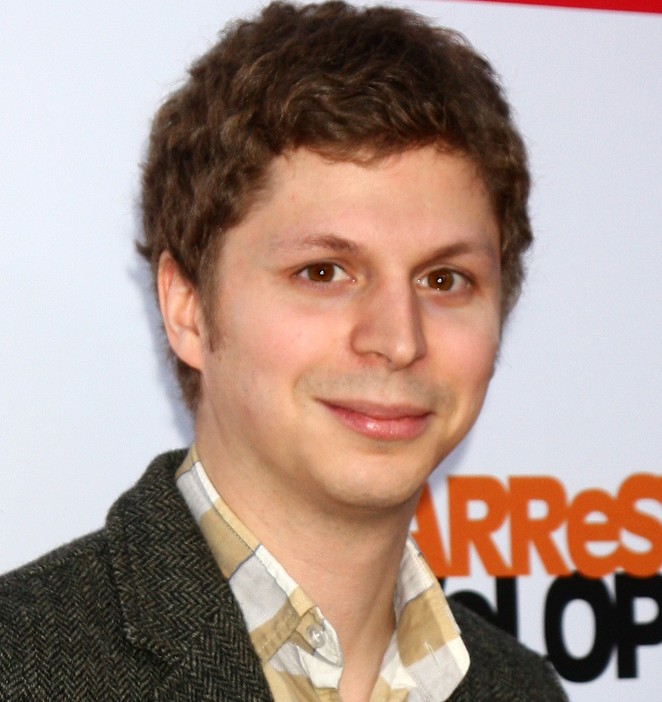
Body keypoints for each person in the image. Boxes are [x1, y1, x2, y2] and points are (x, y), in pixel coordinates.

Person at [0, 2, 568, 700]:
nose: (398, 339)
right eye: (324, 272)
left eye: (444, 279)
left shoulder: (520, 688)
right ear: (187, 308)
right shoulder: (22, 664)